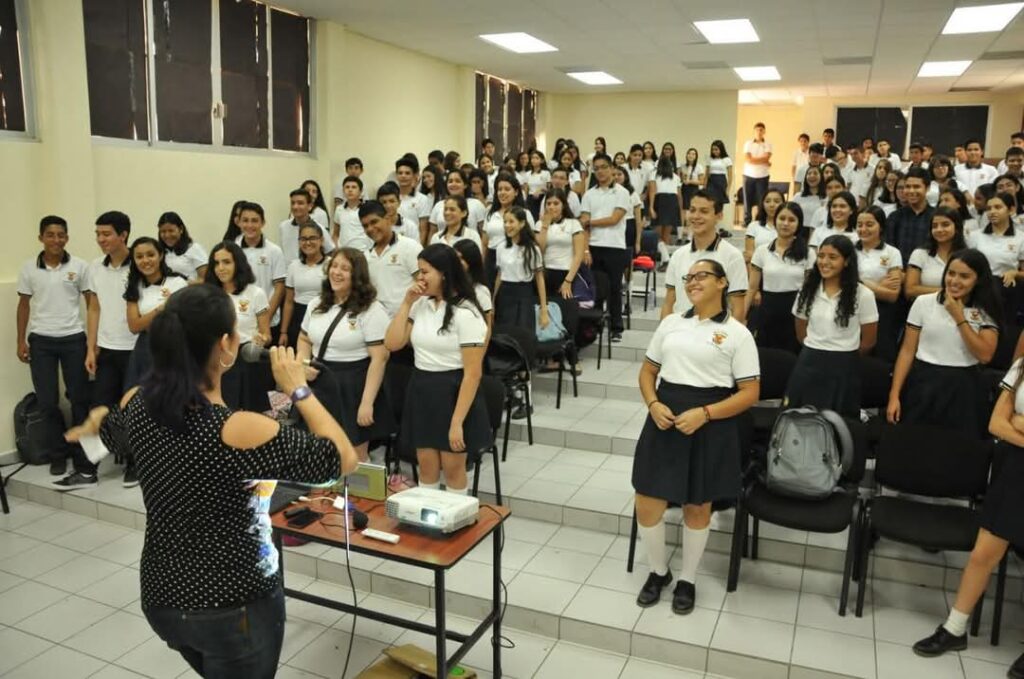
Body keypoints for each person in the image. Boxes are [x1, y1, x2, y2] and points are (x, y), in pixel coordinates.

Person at [64, 283, 358, 676]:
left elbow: (109, 433)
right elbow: (341, 460)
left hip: (164, 595)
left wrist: (96, 420)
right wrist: (298, 388)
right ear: (225, 345)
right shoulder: (236, 428)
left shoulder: (138, 401)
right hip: (233, 605)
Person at [632, 257, 760, 614]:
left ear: (722, 282)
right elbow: (647, 372)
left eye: (701, 275)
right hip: (665, 417)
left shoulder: (737, 333)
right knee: (647, 499)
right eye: (688, 277)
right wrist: (653, 403)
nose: (692, 282)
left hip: (710, 421)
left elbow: (749, 393)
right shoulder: (671, 323)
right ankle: (659, 572)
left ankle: (687, 579)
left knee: (698, 506)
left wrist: (705, 414)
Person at [911, 354, 1024, 678]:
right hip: (1014, 471)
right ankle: (954, 629)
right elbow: (996, 423)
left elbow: (1012, 422)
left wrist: (1019, 421)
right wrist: (1014, 424)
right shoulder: (1021, 366)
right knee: (982, 555)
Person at [384, 243, 490, 494]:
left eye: (425, 272)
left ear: (444, 273)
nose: (419, 278)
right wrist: (406, 303)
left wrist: (457, 422)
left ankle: (458, 516)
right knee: (426, 466)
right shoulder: (420, 305)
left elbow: (473, 373)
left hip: (454, 392)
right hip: (422, 388)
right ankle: (427, 515)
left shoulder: (467, 312)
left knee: (453, 469)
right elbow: (392, 343)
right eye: (419, 272)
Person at [60, 211, 137, 489]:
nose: (101, 239)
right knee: (98, 409)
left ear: (123, 235)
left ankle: (136, 465)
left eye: (106, 234)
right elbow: (94, 308)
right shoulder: (95, 267)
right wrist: (91, 348)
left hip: (135, 350)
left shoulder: (138, 264)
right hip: (108, 349)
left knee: (134, 410)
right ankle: (86, 470)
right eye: (98, 234)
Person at [887, 248, 1000, 437]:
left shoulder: (984, 309)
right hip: (923, 381)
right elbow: (907, 351)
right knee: (916, 440)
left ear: (978, 279)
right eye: (951, 273)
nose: (954, 281)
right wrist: (894, 394)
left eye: (964, 276)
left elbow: (985, 355)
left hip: (963, 386)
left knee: (957, 446)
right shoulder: (923, 302)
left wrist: (959, 317)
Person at [297, 248, 392, 462]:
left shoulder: (371, 309)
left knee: (353, 454)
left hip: (353, 385)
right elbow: (304, 338)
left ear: (357, 276)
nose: (337, 272)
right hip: (319, 380)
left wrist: (367, 403)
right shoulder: (316, 304)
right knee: (317, 448)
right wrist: (303, 363)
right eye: (334, 266)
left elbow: (379, 358)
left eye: (345, 268)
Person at [18, 216, 90, 478]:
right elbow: (23, 306)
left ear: (67, 238)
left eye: (61, 235)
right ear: (41, 237)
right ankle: (58, 453)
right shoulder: (29, 268)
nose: (56, 240)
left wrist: (92, 343)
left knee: (79, 399)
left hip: (74, 339)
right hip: (41, 341)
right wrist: (21, 340)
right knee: (47, 401)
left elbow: (92, 304)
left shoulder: (80, 266)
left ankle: (82, 456)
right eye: (50, 234)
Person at [787, 235, 879, 417]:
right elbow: (800, 332)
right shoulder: (807, 290)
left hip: (844, 365)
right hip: (809, 362)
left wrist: (844, 352)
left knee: (839, 421)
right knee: (802, 418)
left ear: (847, 261)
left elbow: (869, 341)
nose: (824, 262)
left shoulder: (863, 294)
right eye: (821, 256)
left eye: (833, 257)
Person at [204, 242, 271, 411]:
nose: (220, 268)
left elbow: (266, 334)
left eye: (226, 262)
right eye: (216, 263)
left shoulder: (255, 293)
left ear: (238, 264)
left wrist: (261, 340)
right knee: (221, 412)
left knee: (252, 414)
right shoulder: (207, 294)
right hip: (217, 358)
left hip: (246, 357)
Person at [662, 191, 748, 322]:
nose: (696, 216)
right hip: (680, 329)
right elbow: (669, 302)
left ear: (719, 216)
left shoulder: (732, 256)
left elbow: (738, 308)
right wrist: (664, 331)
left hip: (715, 331)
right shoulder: (678, 255)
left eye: (704, 211)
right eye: (692, 210)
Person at [746, 202, 812, 353]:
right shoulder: (762, 251)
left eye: (791, 220)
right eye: (782, 218)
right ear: (775, 220)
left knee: (792, 357)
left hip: (796, 312)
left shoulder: (808, 253)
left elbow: (809, 289)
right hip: (767, 310)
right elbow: (752, 287)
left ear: (799, 224)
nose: (786, 223)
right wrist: (742, 316)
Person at [123, 237, 189, 388]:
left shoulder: (177, 282)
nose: (145, 260)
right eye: (139, 257)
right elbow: (134, 326)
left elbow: (182, 320)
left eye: (150, 255)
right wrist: (163, 307)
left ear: (160, 255)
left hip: (174, 345)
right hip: (145, 347)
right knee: (140, 394)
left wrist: (146, 320)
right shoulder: (134, 286)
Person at [581, 153, 632, 342]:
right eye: (596, 168)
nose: (600, 171)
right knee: (594, 288)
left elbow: (614, 219)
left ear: (611, 168)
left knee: (614, 288)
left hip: (614, 246)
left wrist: (590, 222)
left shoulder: (622, 192)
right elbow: (583, 224)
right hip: (593, 246)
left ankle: (616, 327)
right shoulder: (589, 194)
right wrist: (585, 249)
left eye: (604, 167)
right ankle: (593, 327)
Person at [855, 207, 904, 360]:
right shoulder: (849, 250)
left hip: (882, 311)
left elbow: (892, 295)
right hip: (853, 308)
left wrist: (859, 281)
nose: (863, 229)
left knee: (879, 357)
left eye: (869, 224)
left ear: (881, 226)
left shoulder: (892, 252)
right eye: (859, 225)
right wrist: (878, 286)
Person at [360, 200, 422, 319]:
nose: (370, 228)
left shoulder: (410, 247)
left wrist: (411, 319)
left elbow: (423, 284)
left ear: (387, 219)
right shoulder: (366, 257)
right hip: (378, 323)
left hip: (408, 320)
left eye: (374, 222)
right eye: (365, 226)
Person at [969, 191, 1024, 320]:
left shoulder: (1021, 238)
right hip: (979, 288)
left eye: (998, 207)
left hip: (1007, 290)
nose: (992, 212)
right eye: (989, 208)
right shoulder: (975, 236)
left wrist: (1015, 273)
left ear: (1011, 210)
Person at [236, 202, 286, 343]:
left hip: (269, 321)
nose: (250, 225)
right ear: (239, 222)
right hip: (241, 322)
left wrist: (264, 318)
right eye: (245, 220)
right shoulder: (233, 249)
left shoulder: (274, 251)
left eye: (254, 221)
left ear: (263, 223)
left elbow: (279, 288)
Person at [494, 206, 547, 335]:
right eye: (505, 222)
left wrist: (543, 309)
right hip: (505, 294)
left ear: (522, 223)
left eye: (511, 221)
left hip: (524, 294)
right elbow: (500, 275)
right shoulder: (501, 247)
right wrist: (493, 300)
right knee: (504, 334)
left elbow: (539, 279)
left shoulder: (532, 249)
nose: (507, 225)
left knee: (523, 333)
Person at [905, 207, 969, 301]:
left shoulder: (967, 256)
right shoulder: (920, 254)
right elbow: (910, 290)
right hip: (926, 306)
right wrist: (947, 292)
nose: (939, 229)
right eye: (934, 226)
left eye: (945, 225)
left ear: (957, 228)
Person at [279, 223, 327, 350]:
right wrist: (283, 332)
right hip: (298, 317)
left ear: (321, 240)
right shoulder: (293, 266)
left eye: (312, 238)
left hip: (323, 314)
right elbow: (288, 302)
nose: (308, 242)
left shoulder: (331, 264)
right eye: (303, 239)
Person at [483, 174, 533, 287]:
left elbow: (531, 240)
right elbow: (484, 242)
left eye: (507, 189)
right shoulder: (490, 213)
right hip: (491, 258)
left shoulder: (525, 213)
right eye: (499, 189)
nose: (502, 192)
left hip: (515, 258)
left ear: (516, 192)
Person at [537, 188, 585, 300]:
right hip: (545, 273)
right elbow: (539, 250)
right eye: (548, 203)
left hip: (566, 272)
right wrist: (545, 226)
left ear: (563, 205)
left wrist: (568, 280)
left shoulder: (573, 224)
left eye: (556, 203)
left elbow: (579, 255)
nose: (551, 207)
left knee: (564, 307)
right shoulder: (539, 224)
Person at [884, 167, 935, 264]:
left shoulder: (936, 217)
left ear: (927, 188)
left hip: (928, 269)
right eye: (907, 187)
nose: (911, 191)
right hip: (899, 269)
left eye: (916, 187)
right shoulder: (894, 217)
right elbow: (888, 249)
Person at [453, 239, 494, 343]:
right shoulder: (447, 287)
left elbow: (487, 328)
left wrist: (482, 351)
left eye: (461, 258)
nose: (456, 262)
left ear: (471, 261)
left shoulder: (481, 291)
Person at [429, 169, 487, 240]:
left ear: (465, 185)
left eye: (458, 181)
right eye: (450, 181)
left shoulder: (476, 204)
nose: (453, 184)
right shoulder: (438, 206)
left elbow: (484, 234)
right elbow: (432, 232)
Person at [278, 188, 332, 265]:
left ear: (310, 206)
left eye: (300, 203)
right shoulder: (283, 226)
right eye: (293, 203)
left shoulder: (319, 228)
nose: (295, 207)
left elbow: (330, 252)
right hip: (289, 270)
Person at [158, 212, 208, 281]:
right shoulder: (159, 252)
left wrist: (181, 284)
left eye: (171, 231)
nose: (167, 235)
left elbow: (205, 279)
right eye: (163, 232)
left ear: (181, 229)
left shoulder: (194, 248)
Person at [648, 155, 684, 247]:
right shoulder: (676, 177)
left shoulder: (654, 174)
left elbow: (652, 191)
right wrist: (680, 210)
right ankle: (665, 252)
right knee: (667, 235)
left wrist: (651, 207)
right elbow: (679, 196)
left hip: (660, 201)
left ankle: (661, 252)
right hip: (673, 202)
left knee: (657, 235)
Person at [396, 156, 432, 244]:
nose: (403, 176)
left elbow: (423, 229)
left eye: (407, 173)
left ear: (414, 176)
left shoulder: (422, 199)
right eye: (400, 173)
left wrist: (419, 248)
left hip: (413, 243)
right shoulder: (392, 198)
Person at [742, 123, 773, 225]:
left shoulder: (768, 144)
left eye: (761, 130)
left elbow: (766, 157)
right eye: (757, 130)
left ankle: (760, 220)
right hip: (748, 175)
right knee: (747, 199)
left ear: (764, 131)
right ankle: (747, 221)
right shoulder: (748, 143)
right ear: (754, 131)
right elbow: (748, 159)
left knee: (762, 199)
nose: (759, 132)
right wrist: (764, 161)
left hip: (763, 176)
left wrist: (759, 160)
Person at [333, 175, 372, 250]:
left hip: (363, 251)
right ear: (343, 190)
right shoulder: (339, 209)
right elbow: (335, 234)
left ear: (360, 191)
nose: (350, 190)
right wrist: (336, 248)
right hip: (344, 251)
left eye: (354, 187)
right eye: (347, 187)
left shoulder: (367, 209)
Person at [745, 189, 783, 262]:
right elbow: (749, 255)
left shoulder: (787, 226)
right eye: (767, 201)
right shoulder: (753, 226)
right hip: (757, 266)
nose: (772, 205)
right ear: (762, 204)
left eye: (776, 201)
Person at [680, 148, 705, 212]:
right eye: (689, 153)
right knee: (684, 208)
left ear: (696, 156)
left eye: (693, 154)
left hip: (694, 189)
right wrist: (682, 179)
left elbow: (702, 182)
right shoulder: (682, 166)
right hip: (684, 189)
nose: (690, 155)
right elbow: (680, 179)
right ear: (686, 155)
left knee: (692, 208)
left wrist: (690, 181)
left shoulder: (699, 167)